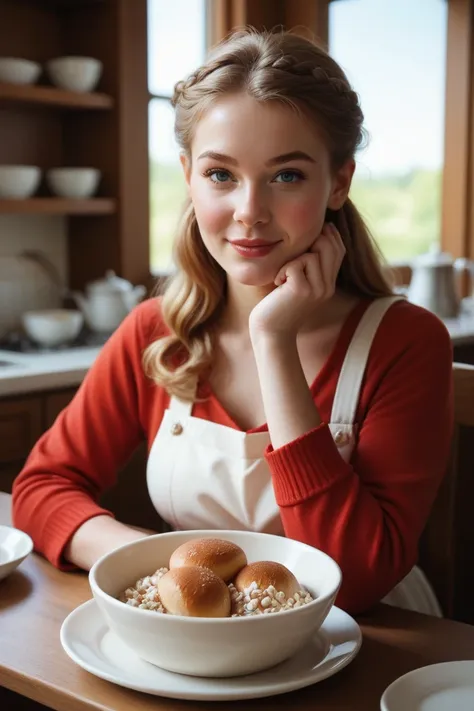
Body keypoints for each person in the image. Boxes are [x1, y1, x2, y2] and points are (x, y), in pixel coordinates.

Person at [11, 28, 453, 616]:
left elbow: (359, 578)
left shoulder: (406, 342)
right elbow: (41, 489)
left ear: (339, 182)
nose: (250, 213)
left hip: (370, 647)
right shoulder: (155, 334)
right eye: (221, 175)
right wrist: (165, 566)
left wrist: (273, 341)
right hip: (196, 641)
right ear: (190, 175)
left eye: (287, 175)